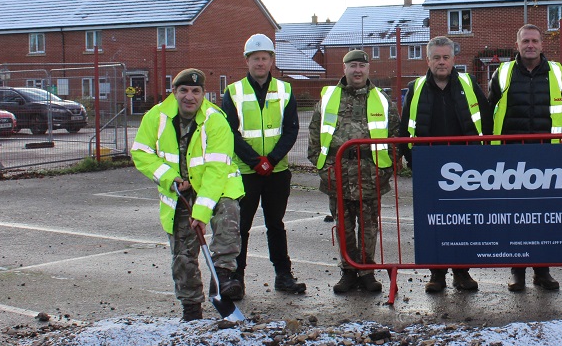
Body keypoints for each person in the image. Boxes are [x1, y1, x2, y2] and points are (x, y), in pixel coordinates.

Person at [131, 68, 245, 321]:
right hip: (178, 192)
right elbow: (140, 152)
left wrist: (202, 212)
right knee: (183, 255)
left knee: (228, 215)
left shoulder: (215, 119)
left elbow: (217, 169)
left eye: (196, 91)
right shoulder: (156, 116)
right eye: (183, 90)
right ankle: (191, 308)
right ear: (174, 92)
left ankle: (223, 276)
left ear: (204, 94)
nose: (189, 96)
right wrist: (169, 177)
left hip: (216, 186)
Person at [399, 36, 492, 293]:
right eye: (436, 58)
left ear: (453, 60)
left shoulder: (469, 84)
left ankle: (462, 272)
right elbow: (405, 127)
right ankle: (436, 274)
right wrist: (409, 156)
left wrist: (483, 155)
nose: (441, 62)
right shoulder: (415, 88)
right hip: (429, 167)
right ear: (428, 60)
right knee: (433, 222)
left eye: (446, 57)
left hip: (467, 168)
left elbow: (485, 121)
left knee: (464, 221)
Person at [488, 24, 562, 291]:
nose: (530, 45)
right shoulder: (502, 73)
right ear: (517, 44)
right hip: (511, 155)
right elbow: (492, 108)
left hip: (546, 154)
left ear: (542, 44)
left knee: (543, 215)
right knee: (514, 215)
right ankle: (517, 272)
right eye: (525, 40)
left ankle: (542, 271)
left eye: (535, 40)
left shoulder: (558, 73)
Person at [307, 49, 400, 294]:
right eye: (353, 66)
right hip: (338, 174)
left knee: (369, 226)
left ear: (368, 69)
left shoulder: (381, 99)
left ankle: (367, 272)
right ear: (344, 69)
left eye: (361, 65)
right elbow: (314, 136)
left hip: (371, 174)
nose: (357, 70)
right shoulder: (328, 98)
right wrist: (323, 168)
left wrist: (387, 168)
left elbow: (395, 137)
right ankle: (348, 271)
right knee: (343, 225)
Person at [223, 33, 305, 296]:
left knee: (276, 225)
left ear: (272, 60)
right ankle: (236, 278)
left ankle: (283, 276)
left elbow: (291, 129)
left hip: (276, 171)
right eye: (255, 58)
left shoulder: (285, 89)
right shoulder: (233, 91)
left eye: (265, 58)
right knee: (241, 226)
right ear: (247, 61)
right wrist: (255, 161)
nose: (260, 63)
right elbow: (229, 132)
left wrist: (271, 160)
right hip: (245, 172)